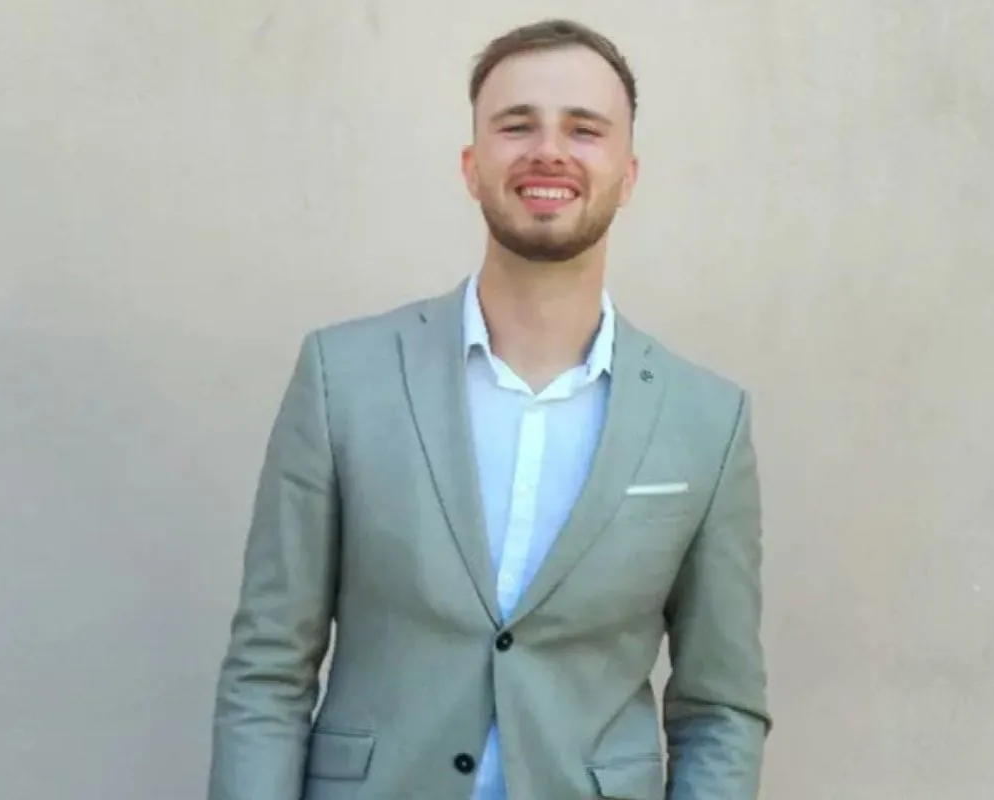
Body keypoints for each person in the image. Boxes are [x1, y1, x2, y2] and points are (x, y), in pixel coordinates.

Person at [207, 17, 770, 800]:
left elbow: (720, 709)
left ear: (629, 174)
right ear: (472, 167)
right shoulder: (344, 377)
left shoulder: (706, 421)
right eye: (517, 125)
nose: (549, 151)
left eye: (584, 129)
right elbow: (268, 670)